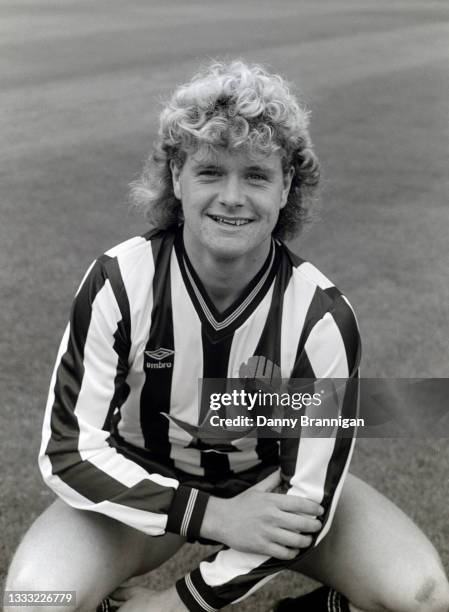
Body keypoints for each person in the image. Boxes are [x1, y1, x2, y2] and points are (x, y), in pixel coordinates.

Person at [5, 60, 448, 612]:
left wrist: (170, 604)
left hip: (269, 493)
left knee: (424, 598)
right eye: (211, 171)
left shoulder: (319, 318)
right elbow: (70, 450)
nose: (232, 197)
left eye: (256, 175)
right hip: (146, 479)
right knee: (32, 600)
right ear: (176, 178)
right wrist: (212, 515)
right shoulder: (120, 282)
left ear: (286, 186)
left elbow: (305, 501)